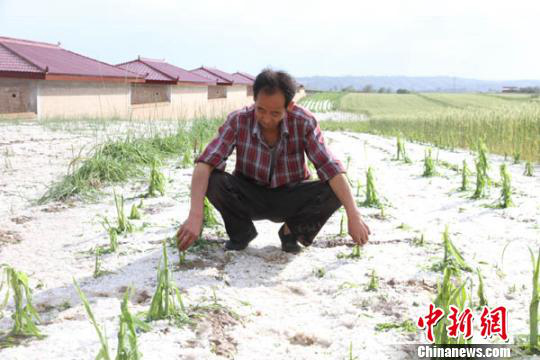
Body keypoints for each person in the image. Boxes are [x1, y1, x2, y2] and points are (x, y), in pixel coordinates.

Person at [176, 69, 370, 254]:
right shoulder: (238, 120)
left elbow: (331, 167)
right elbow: (205, 163)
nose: (266, 118)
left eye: (275, 113)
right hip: (250, 194)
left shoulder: (304, 121)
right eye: (260, 110)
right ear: (254, 100)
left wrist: (354, 215)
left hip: (290, 195)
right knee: (213, 179)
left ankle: (290, 232)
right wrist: (195, 215)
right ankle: (241, 232)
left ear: (289, 107)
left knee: (334, 189)